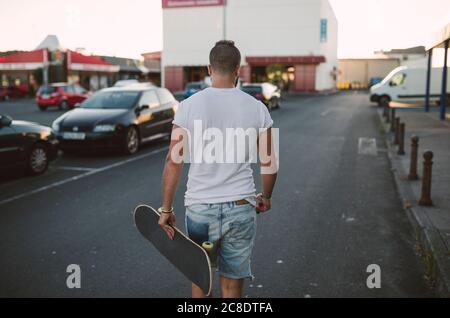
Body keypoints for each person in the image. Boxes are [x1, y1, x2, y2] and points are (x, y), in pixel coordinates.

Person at [158, 40, 278, 298]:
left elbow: (173, 160)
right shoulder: (258, 108)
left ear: (210, 68)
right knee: (232, 284)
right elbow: (269, 162)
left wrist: (166, 209)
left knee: (202, 279)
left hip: (200, 209)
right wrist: (265, 197)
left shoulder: (187, 107)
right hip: (241, 206)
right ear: (238, 70)